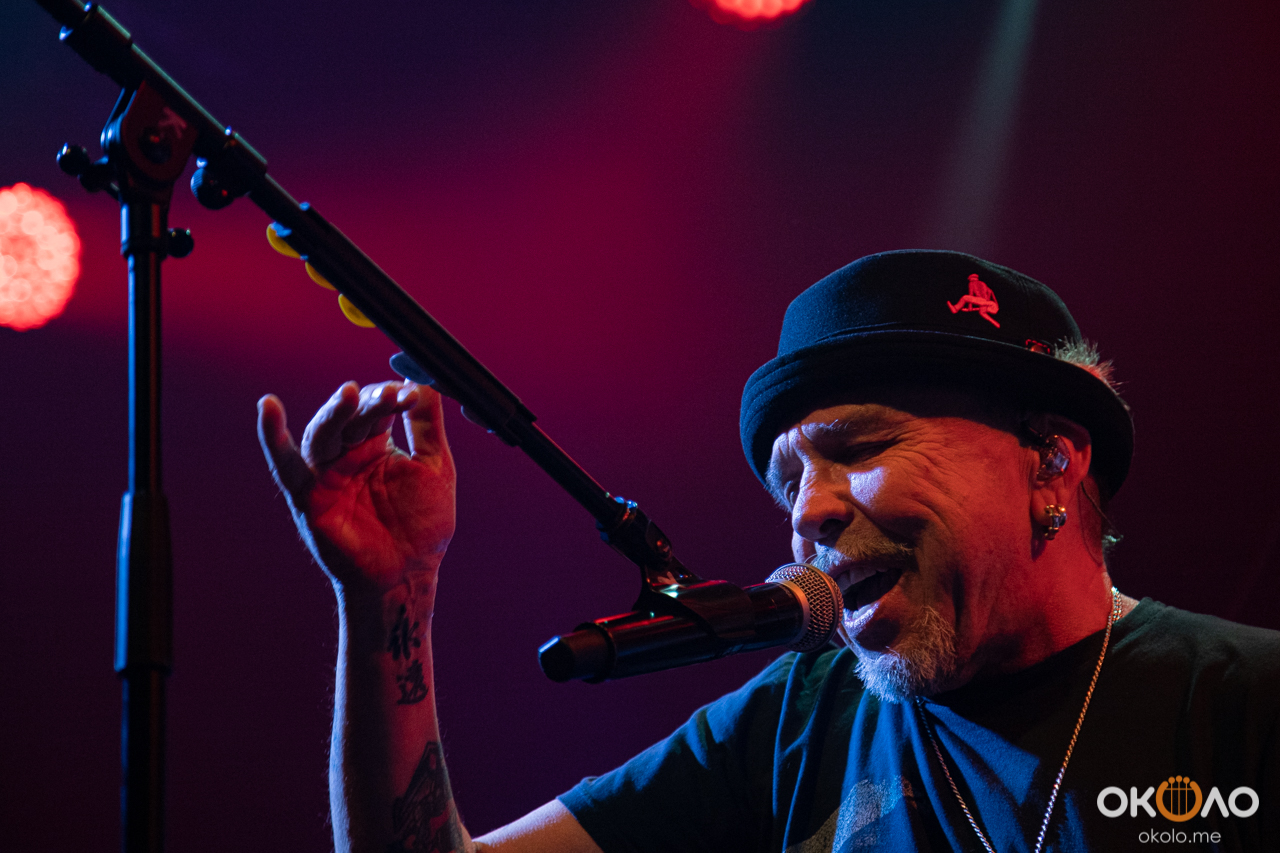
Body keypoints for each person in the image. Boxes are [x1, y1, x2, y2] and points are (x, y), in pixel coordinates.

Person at [258, 250, 1280, 852]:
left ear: (1050, 460)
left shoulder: (1238, 701)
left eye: (859, 450)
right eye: (789, 481)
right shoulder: (791, 720)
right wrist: (390, 594)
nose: (809, 513)